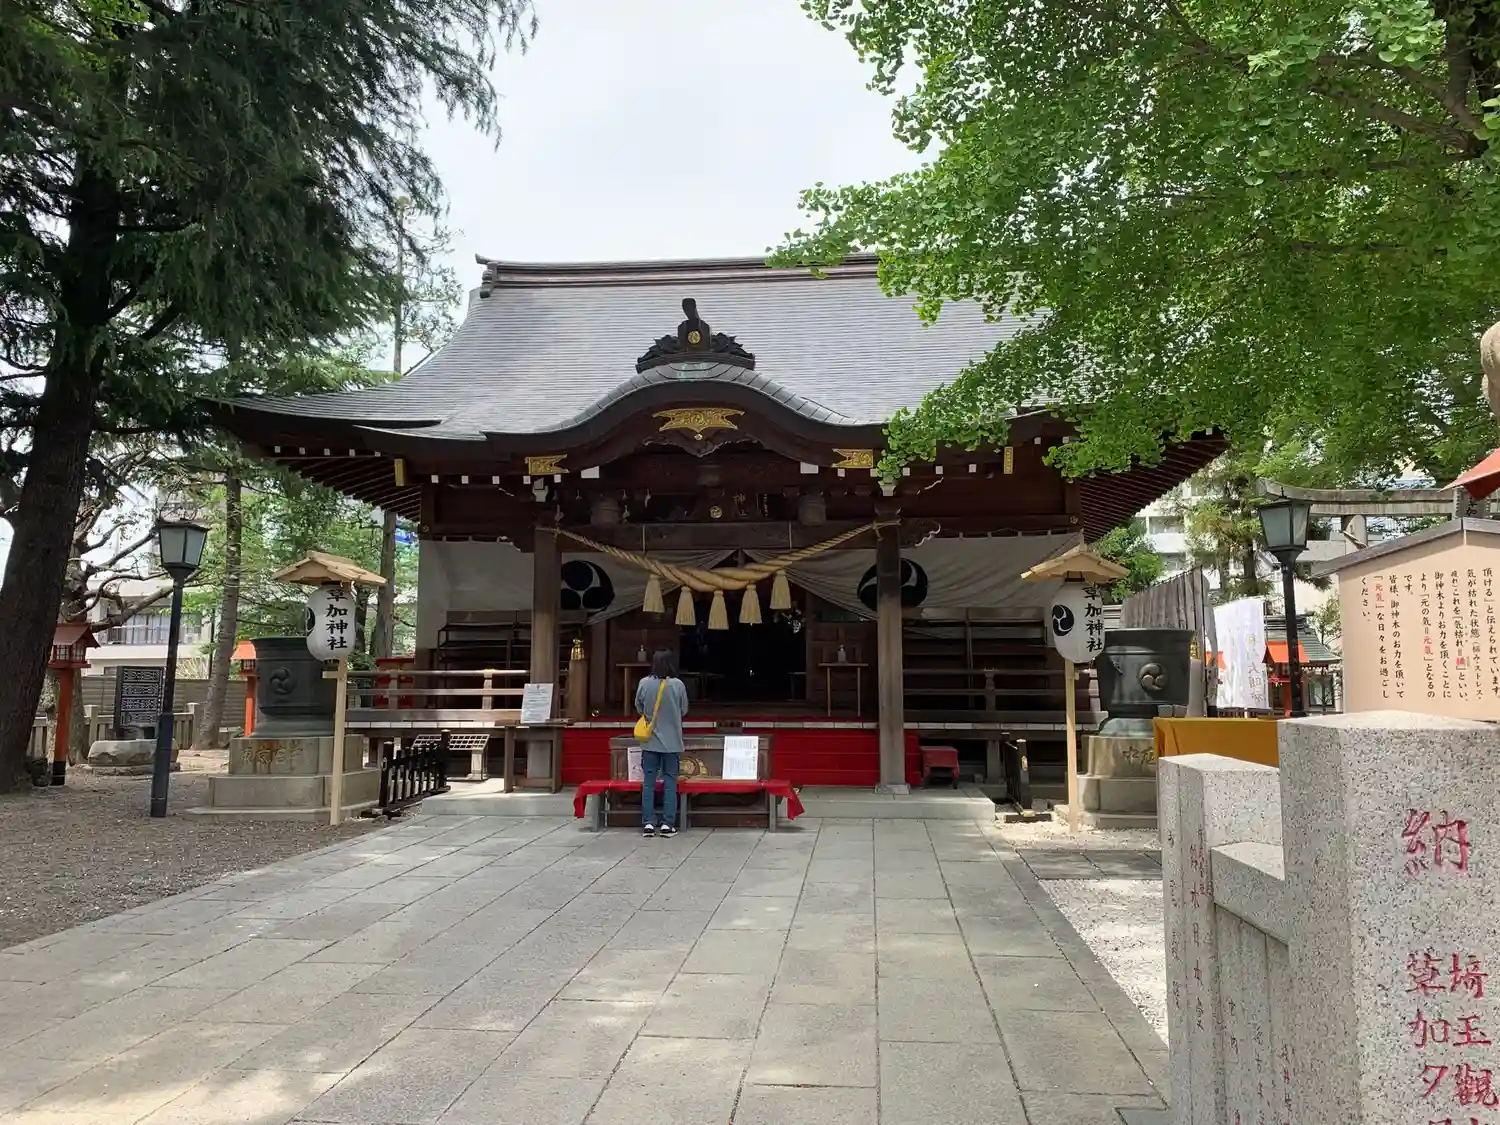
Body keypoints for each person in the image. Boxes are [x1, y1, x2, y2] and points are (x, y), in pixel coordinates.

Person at [635, 649, 689, 838]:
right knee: (670, 782)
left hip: (650, 741)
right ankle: (668, 823)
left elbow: (639, 707)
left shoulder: (644, 683)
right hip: (672, 742)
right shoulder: (678, 685)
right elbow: (684, 710)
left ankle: (648, 823)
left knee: (648, 783)